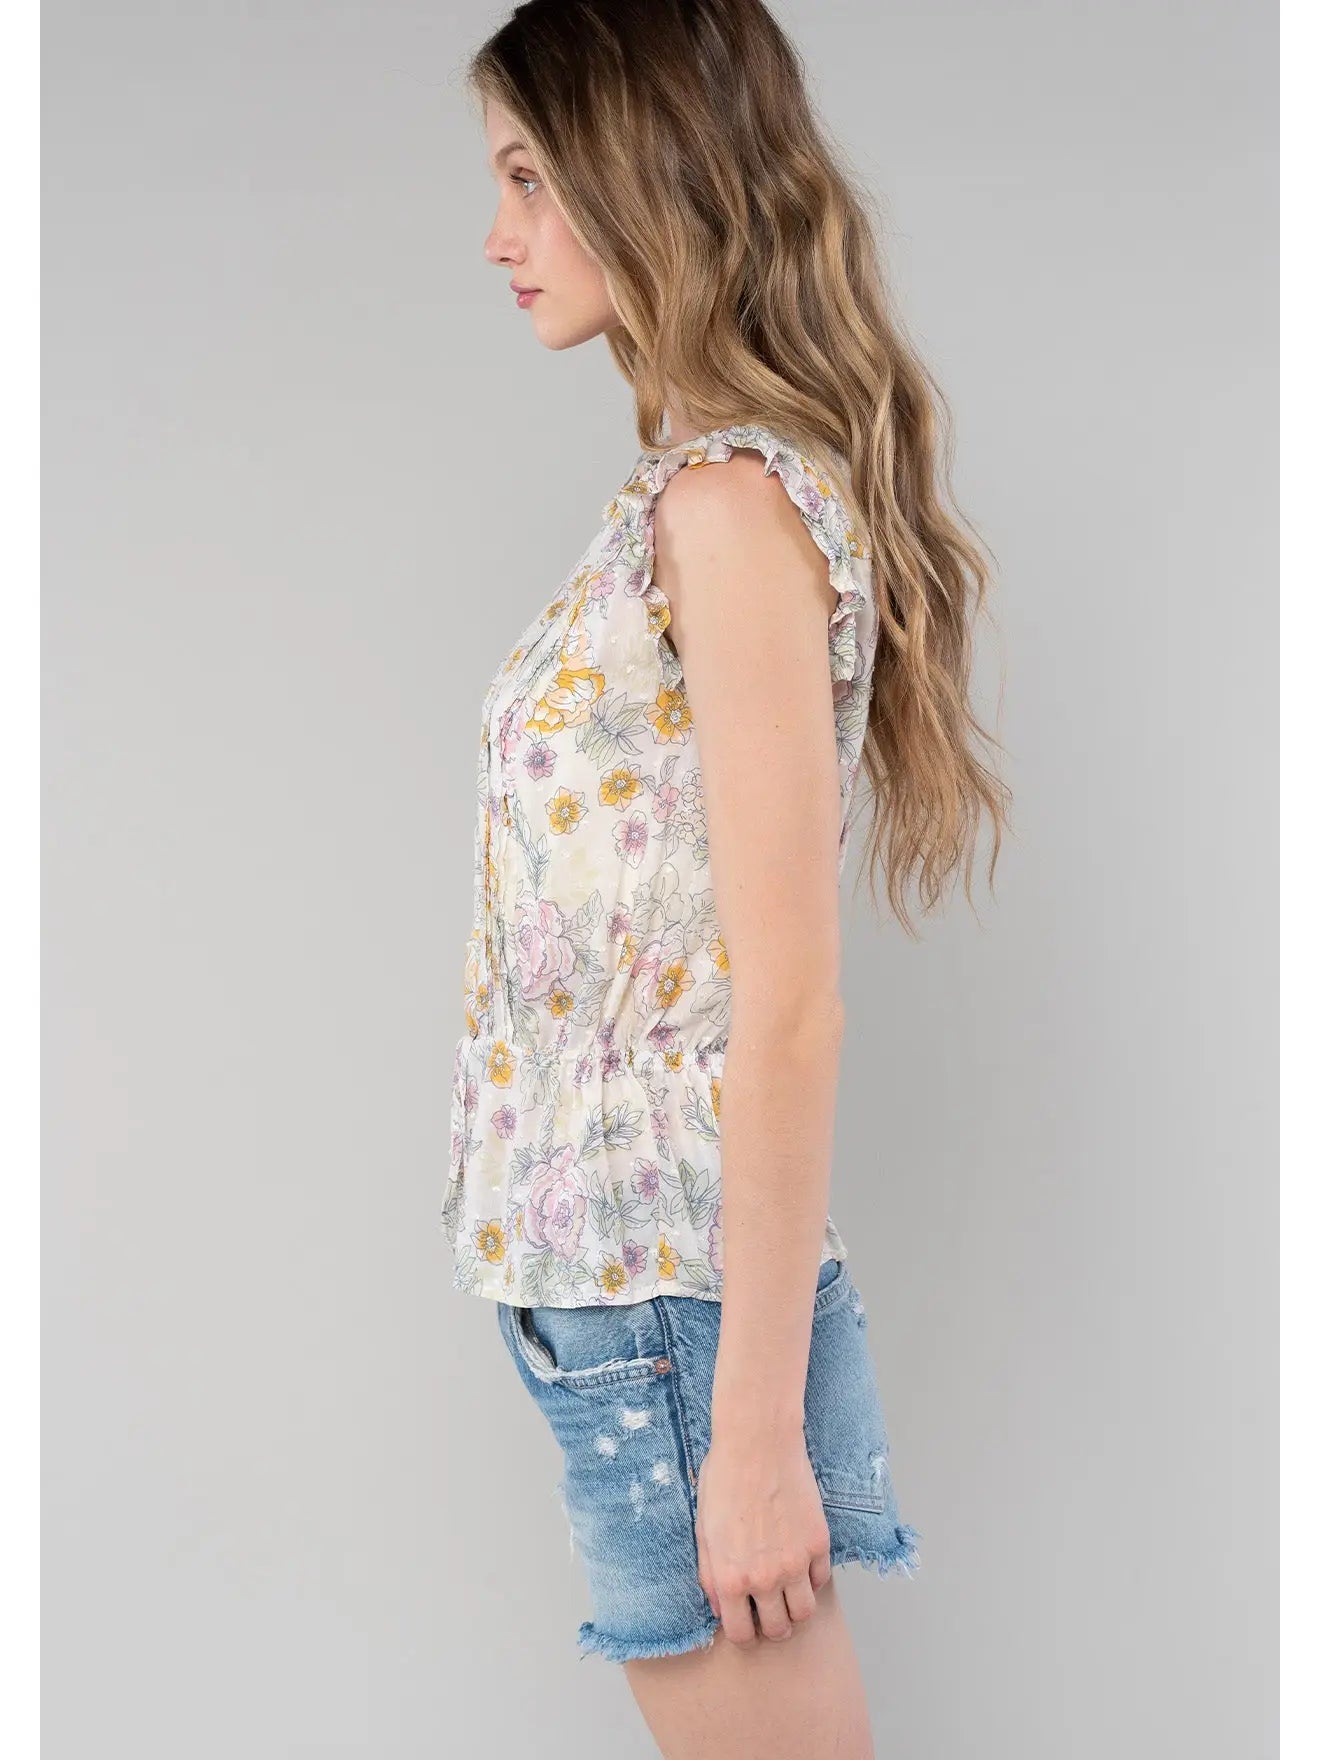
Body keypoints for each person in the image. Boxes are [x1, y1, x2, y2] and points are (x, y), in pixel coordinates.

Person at [443, 2, 1010, 1753]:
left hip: (673, 1310)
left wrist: (753, 1437)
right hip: (630, 1301)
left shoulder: (726, 512)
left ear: (645, 169)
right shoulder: (687, 499)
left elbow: (794, 1006)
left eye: (531, 177)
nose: (499, 234)